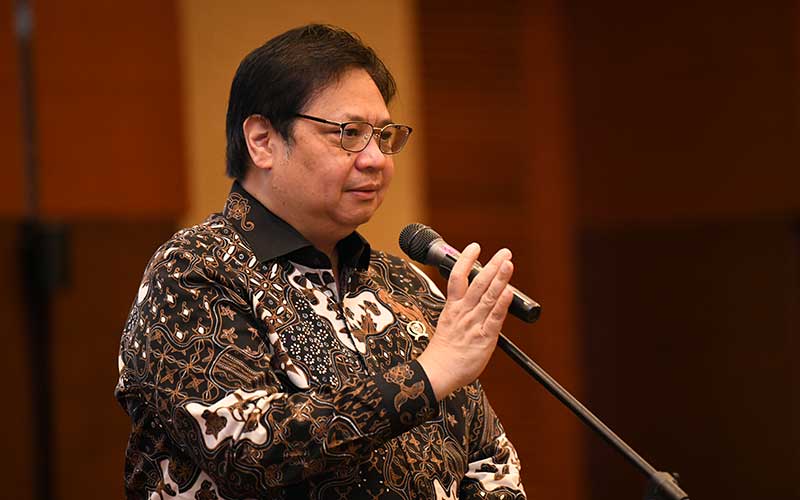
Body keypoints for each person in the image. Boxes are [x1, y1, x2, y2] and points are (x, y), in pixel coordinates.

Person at [115, 24, 525, 499]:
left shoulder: (405, 284)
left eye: (383, 136)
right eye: (349, 134)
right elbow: (244, 448)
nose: (376, 159)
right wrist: (425, 376)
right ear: (263, 141)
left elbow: (491, 461)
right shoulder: (193, 269)